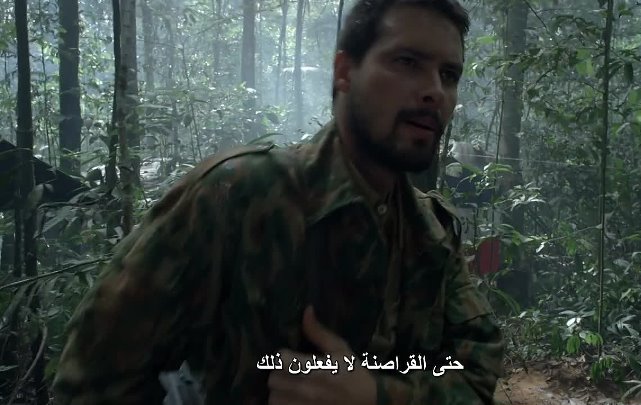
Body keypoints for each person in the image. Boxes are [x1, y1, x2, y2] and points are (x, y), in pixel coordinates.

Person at [51, 0, 505, 404]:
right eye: (407, 62)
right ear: (344, 72)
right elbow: (93, 378)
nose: (434, 91)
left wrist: (375, 394)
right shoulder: (237, 196)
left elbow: (478, 370)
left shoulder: (430, 232)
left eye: (449, 75)